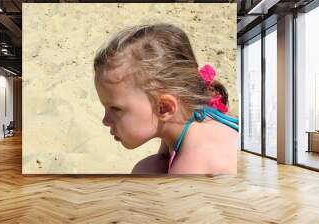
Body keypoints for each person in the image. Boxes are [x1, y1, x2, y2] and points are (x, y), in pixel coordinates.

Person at [93, 23, 238, 174]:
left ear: (165, 108)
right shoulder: (184, 118)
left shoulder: (193, 166)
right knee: (150, 168)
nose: (105, 120)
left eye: (115, 108)